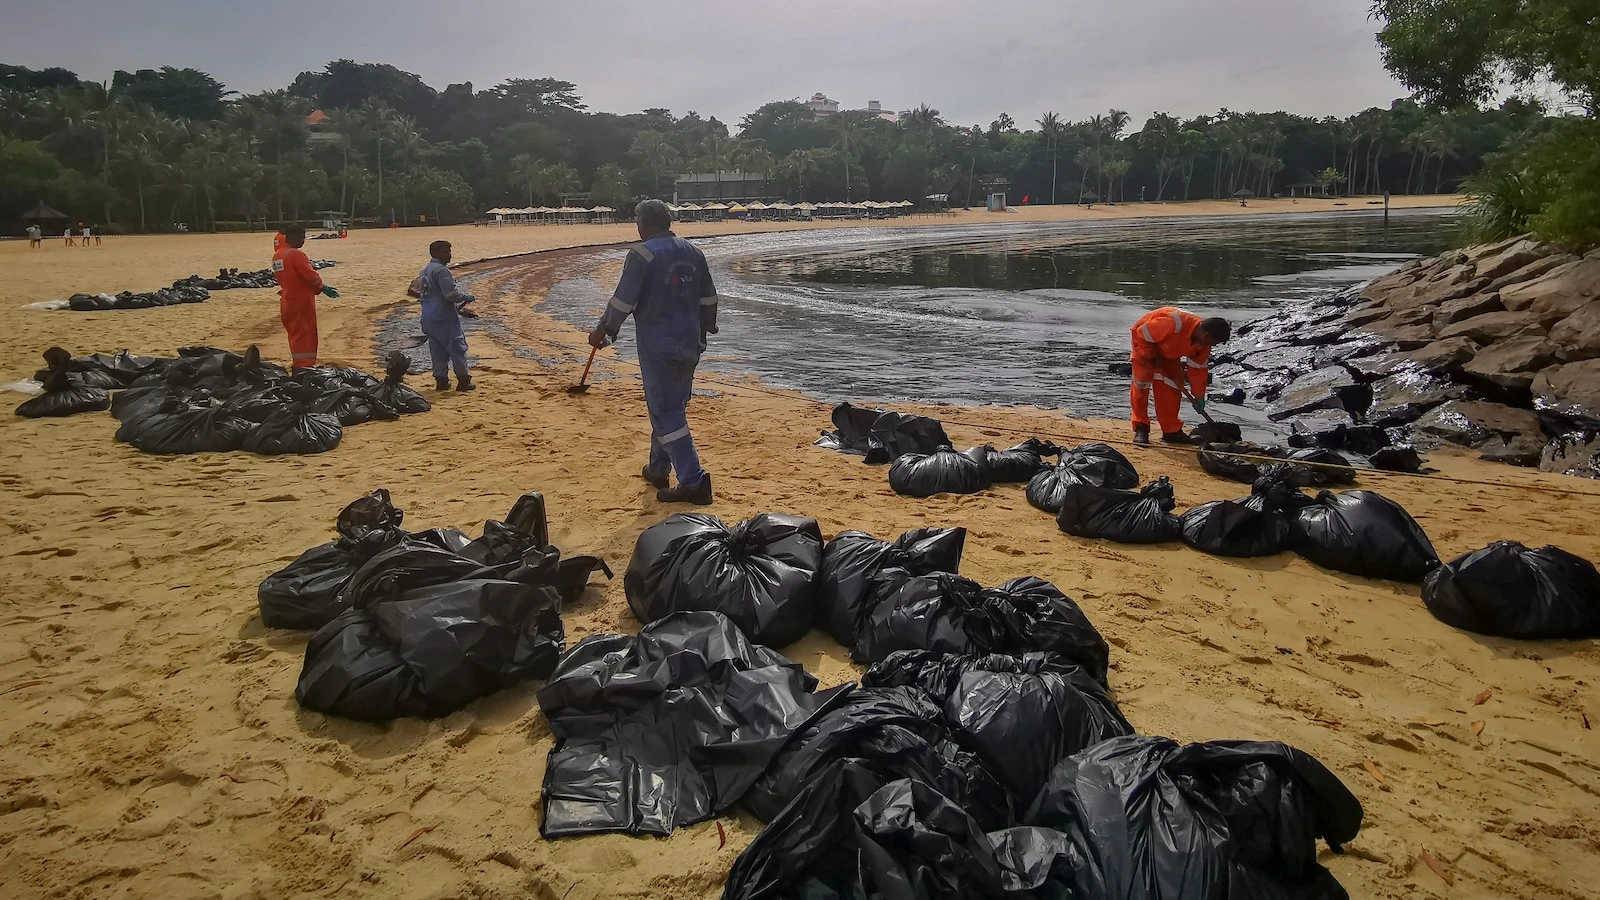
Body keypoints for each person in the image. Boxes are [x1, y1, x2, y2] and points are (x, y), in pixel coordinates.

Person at [589, 199, 718, 505]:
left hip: (659, 346)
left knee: (665, 411)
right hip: (690, 343)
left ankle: (693, 480)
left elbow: (622, 301)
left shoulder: (642, 254)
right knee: (672, 407)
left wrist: (604, 330)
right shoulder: (694, 252)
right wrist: (704, 330)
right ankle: (658, 469)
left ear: (643, 223)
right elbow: (709, 299)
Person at [1128, 306, 1230, 446]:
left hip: (1169, 353)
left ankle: (1171, 432)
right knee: (1141, 385)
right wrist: (1150, 355)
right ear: (1207, 336)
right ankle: (1141, 428)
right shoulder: (1173, 323)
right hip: (1144, 345)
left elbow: (1198, 369)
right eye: (1214, 343)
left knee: (1172, 386)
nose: (1212, 346)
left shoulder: (1203, 344)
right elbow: (1142, 334)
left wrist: (1199, 396)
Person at [271, 225, 338, 372]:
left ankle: (299, 362)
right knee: (306, 333)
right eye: (301, 237)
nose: (303, 241)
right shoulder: (296, 254)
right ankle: (305, 366)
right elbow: (310, 275)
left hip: (287, 300)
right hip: (301, 301)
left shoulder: (277, 256)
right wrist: (322, 287)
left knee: (295, 333)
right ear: (291, 237)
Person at [413, 240, 475, 391]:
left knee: (437, 350)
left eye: (449, 251)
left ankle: (441, 380)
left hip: (428, 318)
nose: (449, 254)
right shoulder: (442, 271)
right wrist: (465, 297)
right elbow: (450, 294)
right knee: (456, 347)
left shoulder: (425, 270)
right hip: (443, 318)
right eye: (445, 251)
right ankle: (463, 380)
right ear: (436, 253)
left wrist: (458, 309)